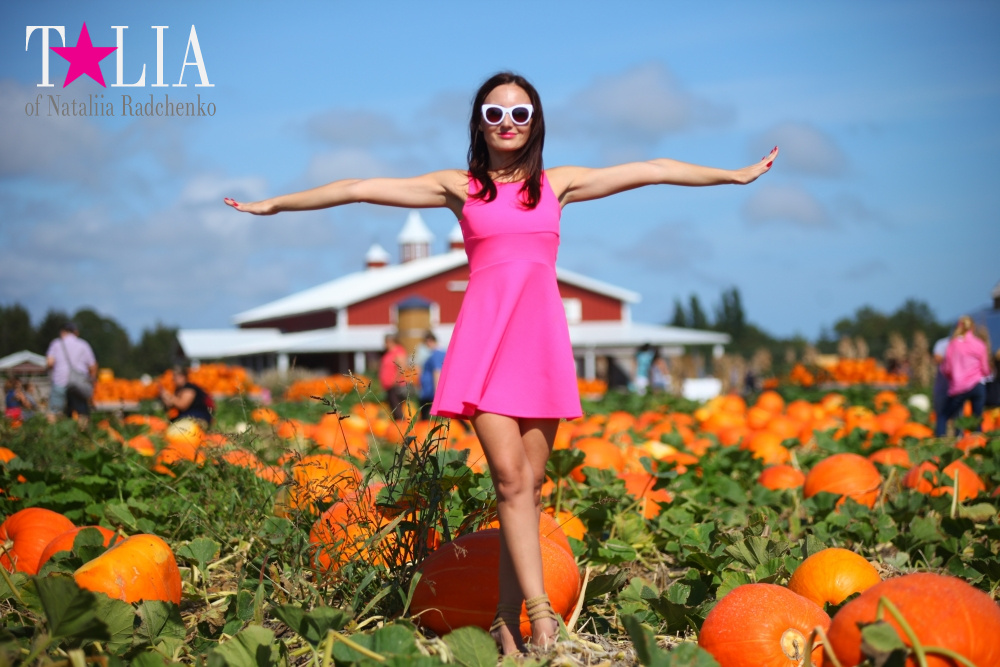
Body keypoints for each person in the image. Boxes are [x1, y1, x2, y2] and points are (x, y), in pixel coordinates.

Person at [224, 71, 777, 653]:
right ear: (479, 124)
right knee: (510, 479)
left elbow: (655, 169)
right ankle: (541, 619)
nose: (507, 124)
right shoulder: (460, 188)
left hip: (538, 348)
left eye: (520, 114)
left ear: (535, 122)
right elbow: (360, 186)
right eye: (495, 114)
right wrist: (277, 204)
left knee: (530, 488)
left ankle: (503, 622)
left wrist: (733, 175)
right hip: (485, 348)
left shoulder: (556, 186)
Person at [936, 316, 990, 436]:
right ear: (973, 328)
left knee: (944, 416)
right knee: (977, 418)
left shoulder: (953, 344)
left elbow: (947, 368)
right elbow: (986, 369)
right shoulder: (980, 344)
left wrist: (952, 378)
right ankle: (978, 445)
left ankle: (940, 441)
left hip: (959, 386)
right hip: (978, 384)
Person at [45, 321, 97, 427]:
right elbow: (93, 366)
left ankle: (51, 435)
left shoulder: (56, 344)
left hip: (60, 381)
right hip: (79, 383)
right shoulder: (83, 345)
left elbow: (49, 363)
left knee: (54, 412)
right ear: (76, 332)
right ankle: (84, 437)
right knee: (82, 413)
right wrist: (92, 381)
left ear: (62, 332)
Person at [379, 333, 409, 420]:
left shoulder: (398, 351)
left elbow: (401, 367)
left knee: (398, 410)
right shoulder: (388, 353)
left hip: (396, 386)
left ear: (390, 342)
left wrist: (394, 381)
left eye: (386, 342)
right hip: (389, 386)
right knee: (393, 409)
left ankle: (401, 428)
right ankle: (398, 427)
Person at [418, 332, 446, 420]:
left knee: (424, 409)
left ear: (430, 341)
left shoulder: (436, 354)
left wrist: (437, 391)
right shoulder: (439, 353)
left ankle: (466, 427)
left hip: (430, 390)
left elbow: (437, 371)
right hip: (428, 389)